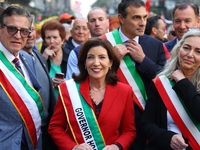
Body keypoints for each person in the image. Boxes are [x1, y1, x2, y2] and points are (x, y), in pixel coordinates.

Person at [48, 37, 136, 150]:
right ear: (84, 62)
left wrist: (117, 146)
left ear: (110, 62)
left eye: (102, 57)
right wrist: (73, 147)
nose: (96, 63)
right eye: (90, 57)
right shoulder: (68, 89)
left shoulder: (125, 91)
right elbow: (55, 127)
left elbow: (129, 131)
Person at [100, 0, 166, 149]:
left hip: (147, 120)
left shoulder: (155, 45)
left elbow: (164, 79)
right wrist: (112, 61)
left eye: (145, 17)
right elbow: (91, 80)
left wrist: (144, 60)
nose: (143, 23)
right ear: (121, 18)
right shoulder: (103, 44)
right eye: (136, 18)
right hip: (113, 120)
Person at [141, 29, 200, 150]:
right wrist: (168, 138)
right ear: (178, 50)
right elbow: (147, 124)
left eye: (198, 51)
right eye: (186, 48)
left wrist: (183, 83)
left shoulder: (183, 83)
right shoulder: (161, 83)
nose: (190, 54)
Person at [0, 6, 43, 150]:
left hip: (32, 143)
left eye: (24, 31)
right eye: (12, 29)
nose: (18, 36)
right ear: (0, 28)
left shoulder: (28, 59)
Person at [20, 22, 58, 150]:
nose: (30, 35)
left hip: (46, 129)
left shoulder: (40, 57)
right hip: (27, 133)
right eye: (25, 31)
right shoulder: (14, 62)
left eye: (31, 30)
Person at [66, 7, 109, 80]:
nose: (97, 24)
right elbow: (73, 84)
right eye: (93, 20)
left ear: (107, 22)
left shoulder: (121, 45)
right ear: (88, 25)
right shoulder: (77, 53)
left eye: (101, 19)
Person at [41, 20, 67, 99]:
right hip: (47, 105)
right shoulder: (39, 58)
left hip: (66, 103)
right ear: (44, 41)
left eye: (55, 37)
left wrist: (67, 83)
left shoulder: (70, 58)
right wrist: (43, 58)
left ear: (62, 40)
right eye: (48, 38)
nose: (52, 42)